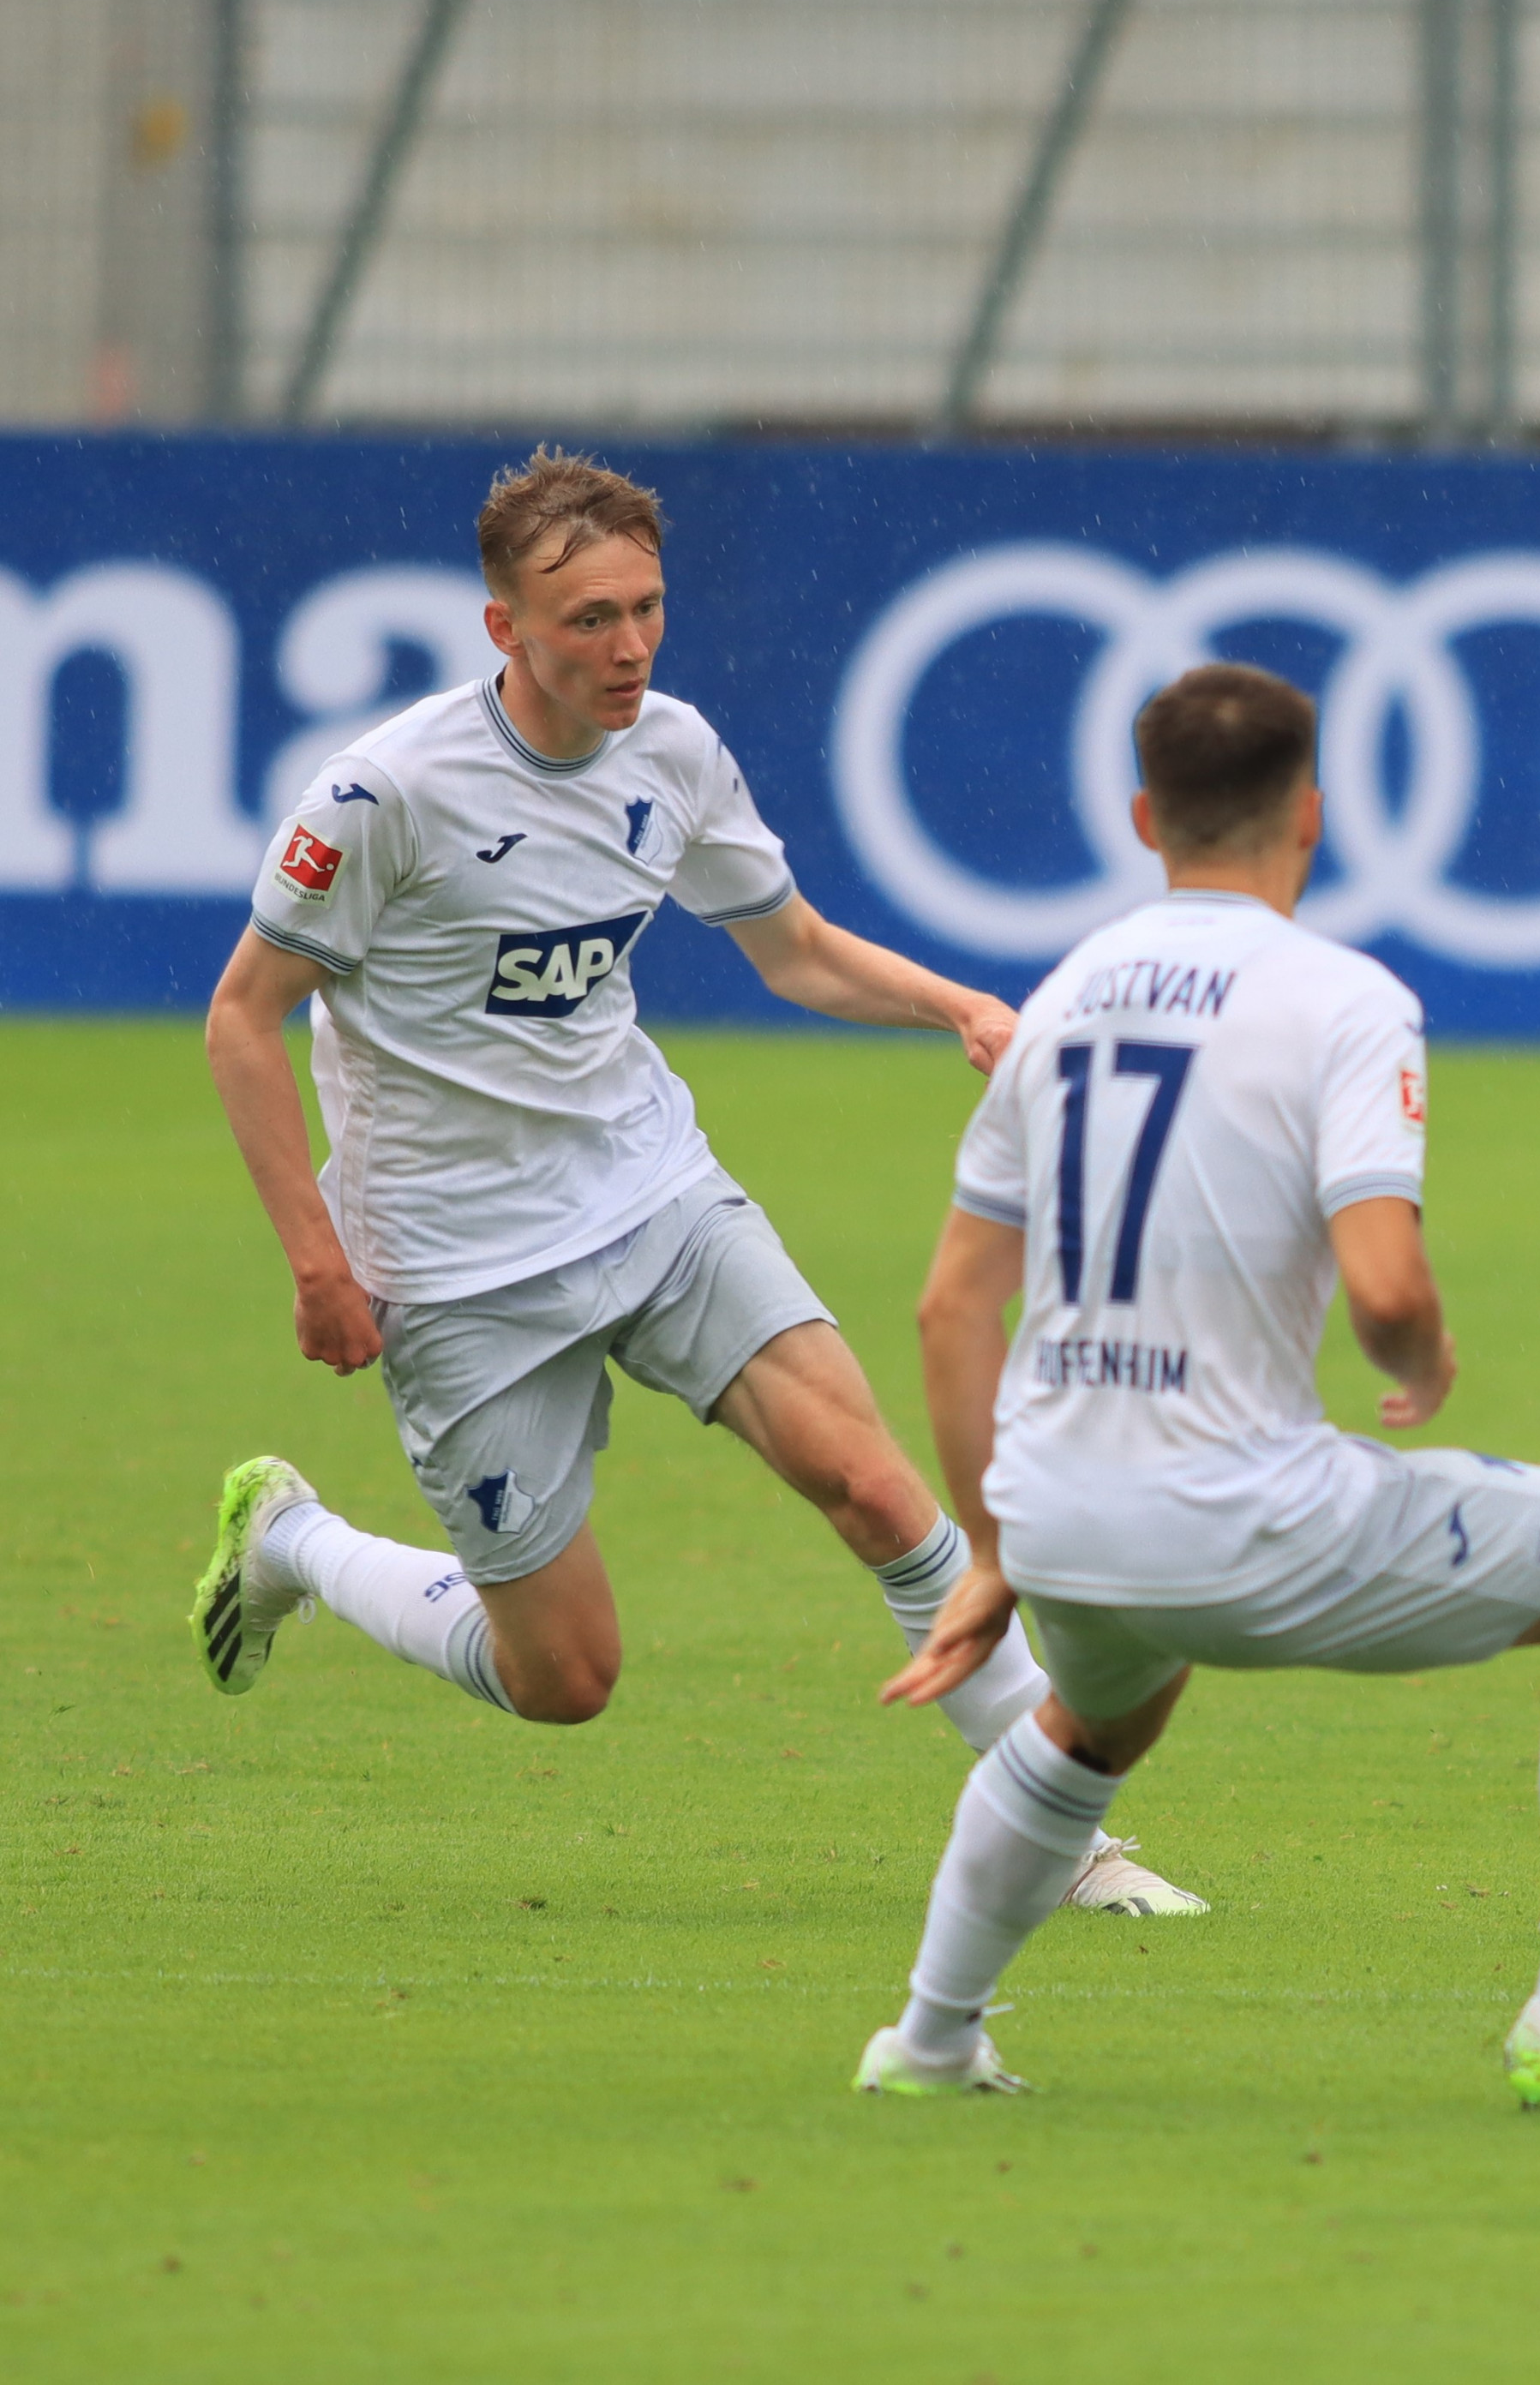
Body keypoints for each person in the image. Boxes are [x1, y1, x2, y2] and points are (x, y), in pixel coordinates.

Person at [191, 445, 1199, 1918]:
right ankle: (291, 1539)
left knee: (872, 1484)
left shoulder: (674, 751)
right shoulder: (384, 794)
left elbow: (791, 949)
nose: (628, 644)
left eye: (647, 607)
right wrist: (315, 1259)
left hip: (653, 1193)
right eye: (588, 617)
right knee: (566, 1679)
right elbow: (241, 1014)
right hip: (457, 1264)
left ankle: (1059, 1841)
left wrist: (961, 1007)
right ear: (505, 630)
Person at [854, 662, 1540, 2113]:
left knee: (1100, 1721)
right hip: (1239, 1515)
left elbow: (949, 1303)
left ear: (1147, 814)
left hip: (1057, 1513)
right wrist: (1425, 1364)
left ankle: (928, 2038)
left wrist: (991, 1546)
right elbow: (1389, 1289)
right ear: (1318, 816)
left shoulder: (1063, 997)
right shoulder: (1345, 999)